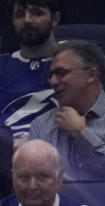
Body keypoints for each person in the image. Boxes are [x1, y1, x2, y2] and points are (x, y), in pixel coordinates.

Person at [28, 40, 105, 196]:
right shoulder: (42, 124)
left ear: (91, 75)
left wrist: (82, 134)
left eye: (61, 73)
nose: (53, 82)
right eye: (51, 75)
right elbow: (34, 184)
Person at [1, 1, 60, 146]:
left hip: (56, 153)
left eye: (37, 13)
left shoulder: (74, 64)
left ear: (55, 19)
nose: (27, 20)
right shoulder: (2, 65)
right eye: (20, 15)